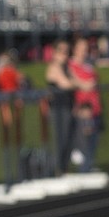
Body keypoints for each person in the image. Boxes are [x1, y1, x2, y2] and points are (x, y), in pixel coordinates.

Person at [68, 36, 101, 172]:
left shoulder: (88, 65)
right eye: (81, 48)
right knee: (83, 142)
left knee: (93, 140)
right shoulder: (71, 65)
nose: (84, 51)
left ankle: (88, 167)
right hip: (82, 108)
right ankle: (83, 170)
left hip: (95, 107)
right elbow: (81, 84)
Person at [44, 40, 77, 173]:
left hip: (66, 107)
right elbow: (67, 84)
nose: (65, 54)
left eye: (67, 51)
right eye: (62, 51)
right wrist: (78, 83)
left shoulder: (66, 67)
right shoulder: (55, 67)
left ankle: (63, 168)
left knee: (68, 139)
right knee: (59, 140)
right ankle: (55, 170)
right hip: (57, 109)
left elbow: (76, 81)